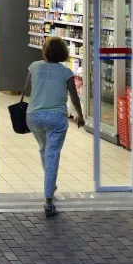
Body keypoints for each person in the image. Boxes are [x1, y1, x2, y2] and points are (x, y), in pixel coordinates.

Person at [23, 36, 85, 218]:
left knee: (44, 149)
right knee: (52, 155)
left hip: (34, 116)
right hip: (56, 118)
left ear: (45, 51)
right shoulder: (66, 72)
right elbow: (74, 97)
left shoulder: (34, 67)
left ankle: (50, 183)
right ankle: (49, 201)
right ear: (63, 52)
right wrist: (80, 115)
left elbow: (26, 90)